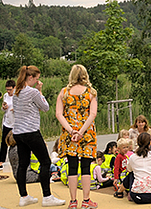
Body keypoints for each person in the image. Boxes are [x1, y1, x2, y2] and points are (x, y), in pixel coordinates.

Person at [12, 65, 66, 207]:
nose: (37, 81)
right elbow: (45, 107)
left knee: (23, 163)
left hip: (18, 131)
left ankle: (23, 195)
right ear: (30, 77)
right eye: (36, 79)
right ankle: (47, 196)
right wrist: (40, 91)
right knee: (45, 162)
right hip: (31, 131)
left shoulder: (16, 91)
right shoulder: (32, 92)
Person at [55, 64, 99, 209]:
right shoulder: (91, 92)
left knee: (72, 166)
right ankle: (86, 201)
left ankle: (73, 201)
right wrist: (81, 131)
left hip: (69, 135)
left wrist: (71, 130)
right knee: (86, 166)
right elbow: (92, 114)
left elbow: (59, 114)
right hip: (87, 134)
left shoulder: (64, 92)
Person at [0, 79, 16, 171]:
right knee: (4, 142)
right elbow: (4, 109)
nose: (8, 91)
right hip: (7, 121)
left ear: (14, 88)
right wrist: (4, 108)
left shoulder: (18, 96)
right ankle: (1, 162)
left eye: (10, 89)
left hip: (16, 122)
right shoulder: (6, 96)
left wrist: (16, 109)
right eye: (7, 89)